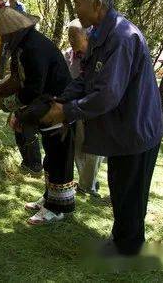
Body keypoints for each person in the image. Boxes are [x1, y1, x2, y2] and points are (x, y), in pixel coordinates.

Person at [41, 0, 163, 256]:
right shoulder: (98, 34)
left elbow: (108, 94)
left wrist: (67, 112)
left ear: (97, 5)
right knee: (120, 188)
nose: (75, 9)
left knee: (130, 193)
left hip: (137, 129)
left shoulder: (122, 37)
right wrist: (61, 100)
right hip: (122, 131)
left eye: (78, 2)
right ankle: (121, 242)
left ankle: (127, 251)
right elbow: (85, 78)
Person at [0, 7, 74, 225]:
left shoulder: (33, 48)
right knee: (51, 154)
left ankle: (56, 209)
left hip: (57, 107)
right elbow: (16, 80)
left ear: (9, 32)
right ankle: (50, 198)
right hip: (45, 105)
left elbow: (32, 89)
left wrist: (5, 105)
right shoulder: (21, 47)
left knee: (58, 155)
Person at [64, 19, 104, 197]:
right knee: (79, 146)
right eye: (69, 36)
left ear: (87, 36)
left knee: (96, 149)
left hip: (95, 107)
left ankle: (89, 183)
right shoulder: (67, 56)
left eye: (75, 36)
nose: (71, 40)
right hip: (76, 108)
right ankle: (86, 182)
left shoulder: (99, 56)